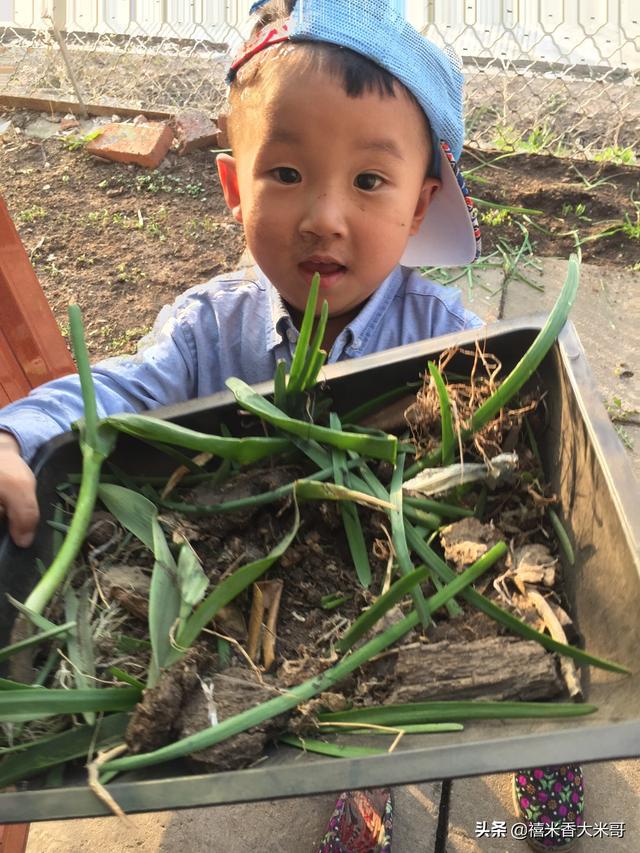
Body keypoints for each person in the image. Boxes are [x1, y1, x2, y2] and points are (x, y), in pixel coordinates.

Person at [0, 1, 583, 849]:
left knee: (533, 647)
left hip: (422, 575)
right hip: (300, 605)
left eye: (369, 181)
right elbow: (117, 389)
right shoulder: (209, 329)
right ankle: (358, 787)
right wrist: (18, 433)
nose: (324, 216)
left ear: (419, 207)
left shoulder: (449, 339)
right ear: (235, 187)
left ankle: (555, 773)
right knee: (337, 713)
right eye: (286, 174)